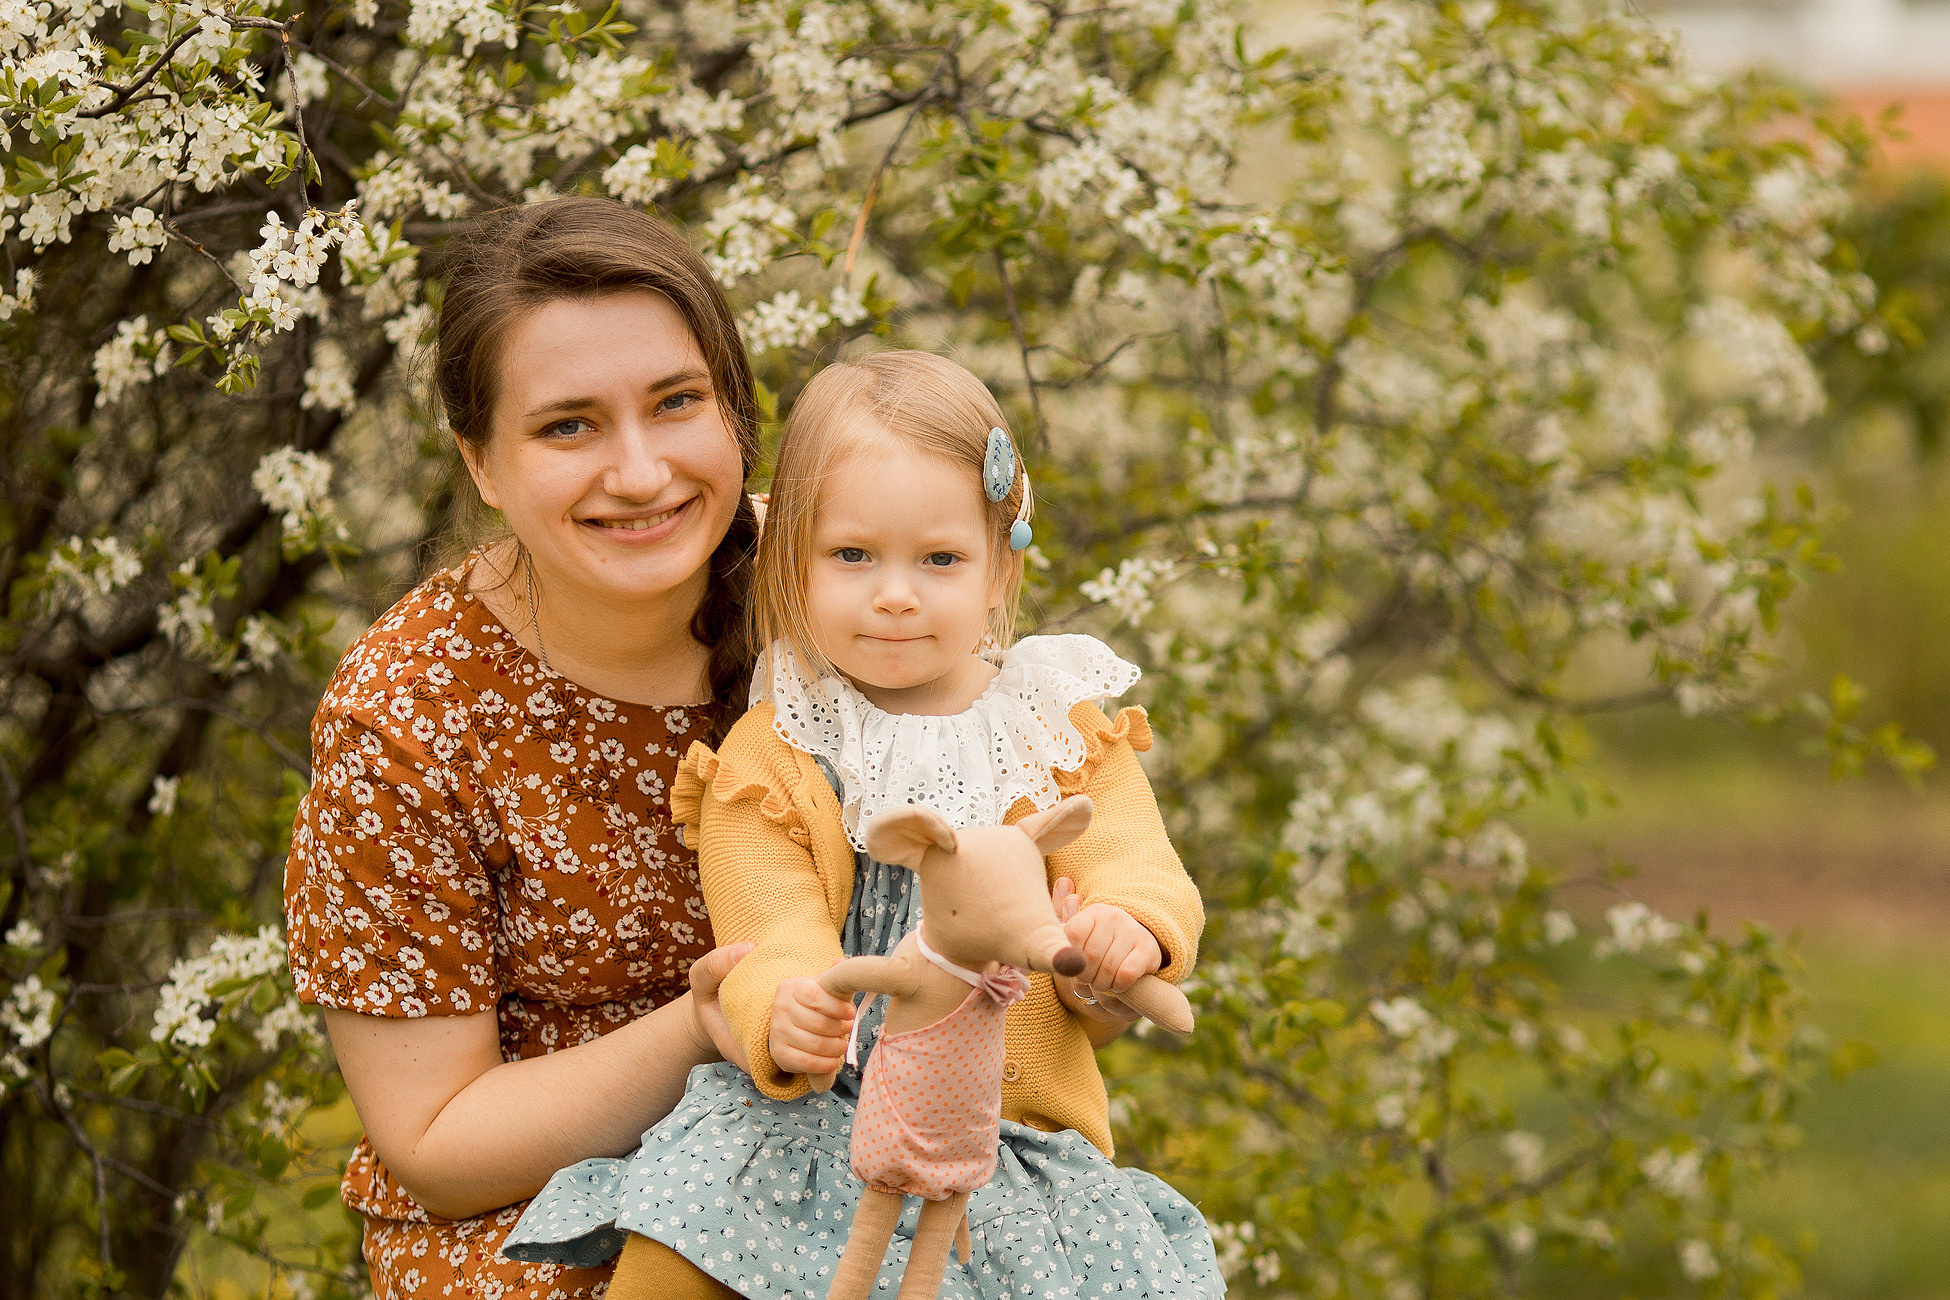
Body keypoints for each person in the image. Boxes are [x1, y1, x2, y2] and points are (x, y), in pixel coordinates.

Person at [502, 351, 1224, 1300]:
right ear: (791, 563)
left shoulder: (1056, 728)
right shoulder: (783, 745)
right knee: (692, 1222)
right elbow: (766, 913)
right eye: (852, 556)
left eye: (940, 559)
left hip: (1003, 1139)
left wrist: (1127, 933)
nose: (896, 593)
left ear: (1000, 567)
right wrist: (787, 1004)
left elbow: (1134, 856)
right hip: (815, 1112)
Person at [282, 196, 767, 1298]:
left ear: (734, 411)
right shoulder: (406, 719)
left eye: (677, 402)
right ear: (482, 461)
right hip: (535, 1222)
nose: (641, 473)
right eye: (569, 425)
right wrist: (704, 1025)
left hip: (826, 1149)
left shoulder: (834, 591)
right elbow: (436, 1142)